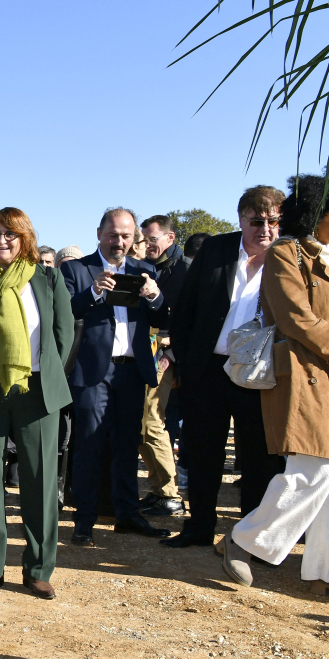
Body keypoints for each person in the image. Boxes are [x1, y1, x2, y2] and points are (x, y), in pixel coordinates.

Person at [223, 176, 329, 602]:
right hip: (309, 379)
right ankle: (244, 540)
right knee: (313, 472)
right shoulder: (285, 255)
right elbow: (296, 318)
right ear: (315, 216)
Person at [0, 208, 75, 597]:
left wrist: (47, 370)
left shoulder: (48, 279)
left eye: (10, 233)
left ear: (25, 238)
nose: (1, 240)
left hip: (37, 390)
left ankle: (39, 569)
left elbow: (63, 334)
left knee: (39, 482)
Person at [159, 188, 287, 549]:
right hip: (208, 370)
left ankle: (249, 539)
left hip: (262, 373)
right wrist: (183, 359)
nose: (266, 229)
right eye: (257, 221)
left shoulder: (290, 257)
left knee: (260, 460)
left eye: (274, 221)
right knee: (202, 454)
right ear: (241, 219)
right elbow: (185, 308)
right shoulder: (216, 249)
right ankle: (199, 528)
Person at [61, 208, 169, 545]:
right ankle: (84, 520)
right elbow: (65, 312)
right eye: (112, 234)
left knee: (127, 446)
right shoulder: (77, 270)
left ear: (133, 237)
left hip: (132, 371)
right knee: (89, 446)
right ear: (99, 234)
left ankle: (127, 515)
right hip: (94, 371)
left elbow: (163, 313)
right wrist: (93, 292)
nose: (118, 241)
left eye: (125, 235)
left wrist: (153, 294)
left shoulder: (145, 270)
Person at [137, 214, 188, 517]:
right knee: (142, 426)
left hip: (165, 360)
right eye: (143, 240)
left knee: (152, 422)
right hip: (149, 355)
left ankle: (170, 493)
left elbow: (188, 319)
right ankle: (158, 489)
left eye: (152, 239)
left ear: (170, 238)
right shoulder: (151, 269)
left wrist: (173, 355)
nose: (147, 245)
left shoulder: (183, 271)